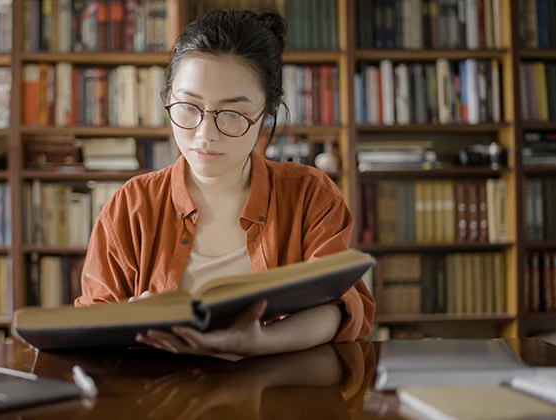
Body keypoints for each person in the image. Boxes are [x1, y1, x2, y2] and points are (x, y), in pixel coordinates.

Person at [74, 9, 375, 357]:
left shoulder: (309, 195)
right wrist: (130, 323)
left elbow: (338, 306)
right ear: (168, 98)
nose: (205, 135)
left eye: (232, 114)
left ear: (266, 113)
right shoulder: (131, 205)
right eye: (188, 107)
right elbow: (90, 326)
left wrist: (261, 342)